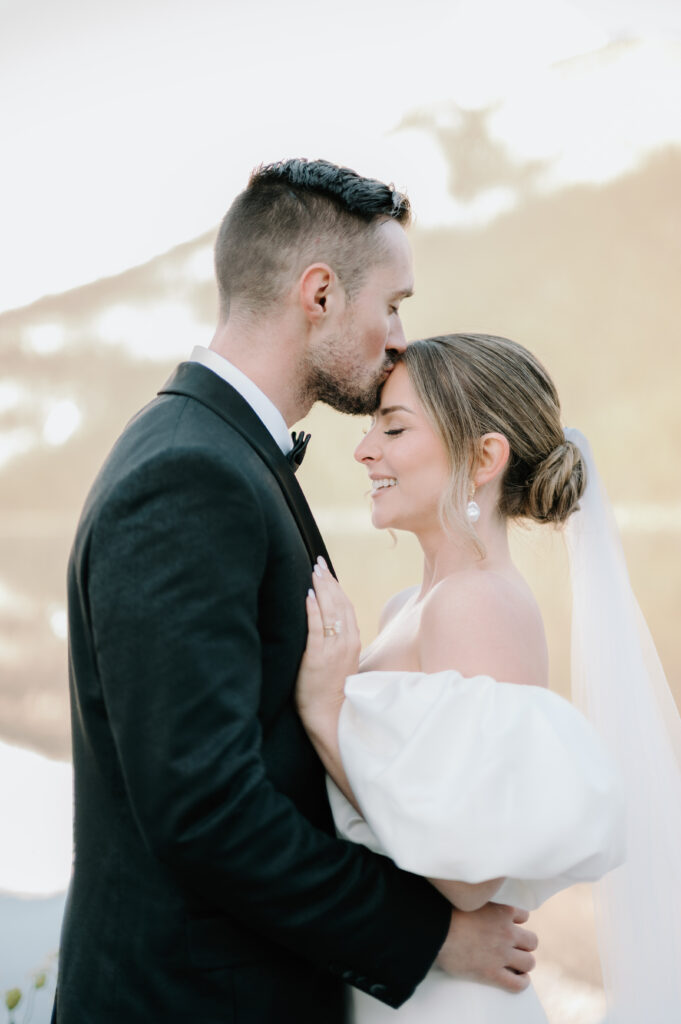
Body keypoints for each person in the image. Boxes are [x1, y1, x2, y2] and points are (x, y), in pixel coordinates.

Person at [53, 167, 539, 1024]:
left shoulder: (220, 453)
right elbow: (205, 809)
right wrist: (431, 936)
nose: (397, 338)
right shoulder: (187, 474)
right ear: (318, 293)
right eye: (391, 304)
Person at [295, 333, 639, 1022]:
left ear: (484, 457)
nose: (365, 450)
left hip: (449, 999)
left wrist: (325, 715)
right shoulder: (412, 606)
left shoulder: (476, 602)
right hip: (400, 980)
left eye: (393, 428)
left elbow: (469, 874)